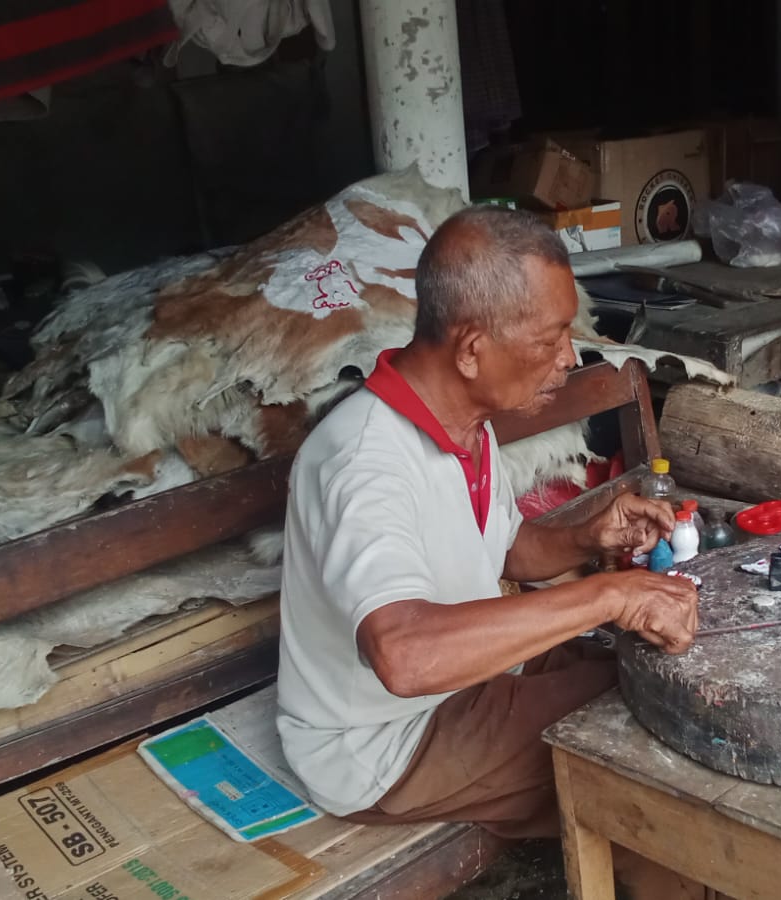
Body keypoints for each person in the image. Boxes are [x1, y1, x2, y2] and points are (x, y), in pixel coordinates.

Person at [275, 205, 700, 843]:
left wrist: (588, 537)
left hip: (466, 680)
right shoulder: (364, 461)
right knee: (657, 739)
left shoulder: (462, 424)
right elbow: (404, 655)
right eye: (550, 339)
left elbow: (505, 551)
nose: (568, 357)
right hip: (388, 742)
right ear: (473, 349)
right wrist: (608, 593)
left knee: (665, 677)